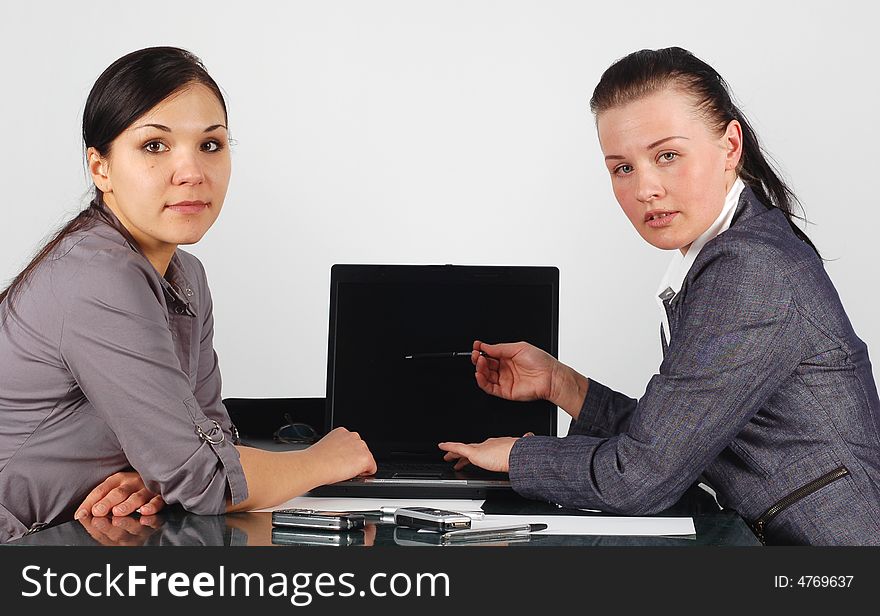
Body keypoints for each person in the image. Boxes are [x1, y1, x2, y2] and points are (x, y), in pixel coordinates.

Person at [438, 47, 880, 545]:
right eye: (622, 168)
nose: (646, 188)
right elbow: (677, 438)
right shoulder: (736, 247)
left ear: (729, 146)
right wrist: (561, 383)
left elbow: (639, 477)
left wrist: (518, 457)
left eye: (667, 156)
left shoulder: (748, 269)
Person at [0, 47, 376, 544]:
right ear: (100, 168)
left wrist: (155, 480)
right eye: (155, 146)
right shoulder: (95, 276)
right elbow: (210, 478)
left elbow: (213, 444)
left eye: (211, 145)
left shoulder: (185, 276)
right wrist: (321, 460)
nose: (192, 172)